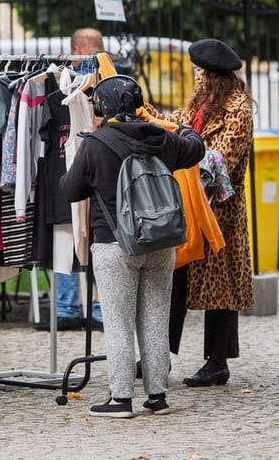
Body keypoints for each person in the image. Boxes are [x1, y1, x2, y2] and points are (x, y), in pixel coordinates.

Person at [59, 75, 205, 418]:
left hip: (115, 245)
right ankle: (157, 396)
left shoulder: (95, 144)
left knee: (119, 321)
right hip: (160, 242)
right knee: (155, 319)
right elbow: (195, 148)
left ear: (104, 107)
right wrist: (183, 128)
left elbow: (70, 190)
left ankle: (120, 399)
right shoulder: (161, 139)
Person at [143, 38, 255, 387]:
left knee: (221, 291)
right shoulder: (201, 104)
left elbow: (218, 161)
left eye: (199, 73)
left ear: (213, 76)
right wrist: (142, 112)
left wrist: (181, 148)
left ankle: (218, 362)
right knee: (175, 278)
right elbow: (173, 124)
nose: (195, 78)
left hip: (219, 214)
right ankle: (158, 354)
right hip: (189, 206)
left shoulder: (238, 109)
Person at [35, 28, 106, 332]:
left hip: (80, 180)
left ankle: (82, 308)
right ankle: (83, 309)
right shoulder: (58, 95)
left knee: (83, 242)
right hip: (83, 179)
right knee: (83, 242)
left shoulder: (99, 90)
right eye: (94, 49)